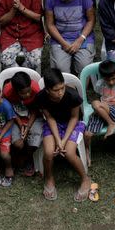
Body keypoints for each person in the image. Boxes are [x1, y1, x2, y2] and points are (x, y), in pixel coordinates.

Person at [33, 68, 91, 202]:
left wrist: (63, 140)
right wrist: (58, 139)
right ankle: (49, 177)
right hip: (53, 123)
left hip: (72, 123)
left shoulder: (72, 96)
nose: (60, 92)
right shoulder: (41, 97)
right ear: (47, 90)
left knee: (70, 152)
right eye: (56, 90)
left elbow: (74, 117)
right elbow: (50, 119)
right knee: (48, 152)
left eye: (62, 88)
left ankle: (85, 179)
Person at [45, 0, 96, 75]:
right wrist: (63, 43)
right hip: (61, 37)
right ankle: (67, 89)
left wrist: (80, 40)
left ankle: (81, 90)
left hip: (82, 36)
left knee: (84, 67)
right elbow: (50, 24)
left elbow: (91, 20)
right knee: (60, 68)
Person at [0, 0, 44, 71]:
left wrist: (21, 8)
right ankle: (20, 77)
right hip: (10, 34)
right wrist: (13, 9)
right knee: (5, 60)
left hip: (31, 33)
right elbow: (1, 21)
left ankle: (22, 76)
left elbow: (38, 17)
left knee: (35, 60)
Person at [3, 70, 43, 176]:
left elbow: (36, 110)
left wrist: (28, 126)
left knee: (34, 143)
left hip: (34, 118)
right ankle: (20, 156)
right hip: (16, 118)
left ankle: (29, 158)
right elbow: (10, 110)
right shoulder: (7, 92)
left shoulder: (35, 90)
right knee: (18, 144)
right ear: (15, 91)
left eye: (28, 91)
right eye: (23, 93)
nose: (27, 95)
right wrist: (20, 124)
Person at [84, 59, 115, 155]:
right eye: (108, 80)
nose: (111, 82)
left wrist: (101, 106)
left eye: (113, 78)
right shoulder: (100, 83)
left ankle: (111, 124)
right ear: (103, 78)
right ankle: (87, 152)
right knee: (87, 134)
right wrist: (99, 108)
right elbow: (100, 97)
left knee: (95, 104)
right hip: (102, 111)